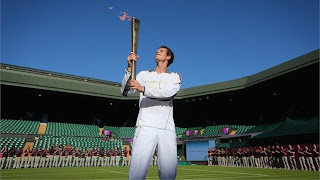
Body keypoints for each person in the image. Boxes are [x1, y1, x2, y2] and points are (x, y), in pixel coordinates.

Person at [121, 46, 181, 180]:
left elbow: (168, 94)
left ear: (168, 57)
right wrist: (130, 68)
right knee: (137, 171)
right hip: (145, 126)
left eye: (161, 51)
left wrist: (143, 88)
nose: (157, 51)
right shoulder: (143, 75)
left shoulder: (174, 77)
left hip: (166, 129)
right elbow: (125, 92)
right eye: (157, 50)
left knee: (168, 173)